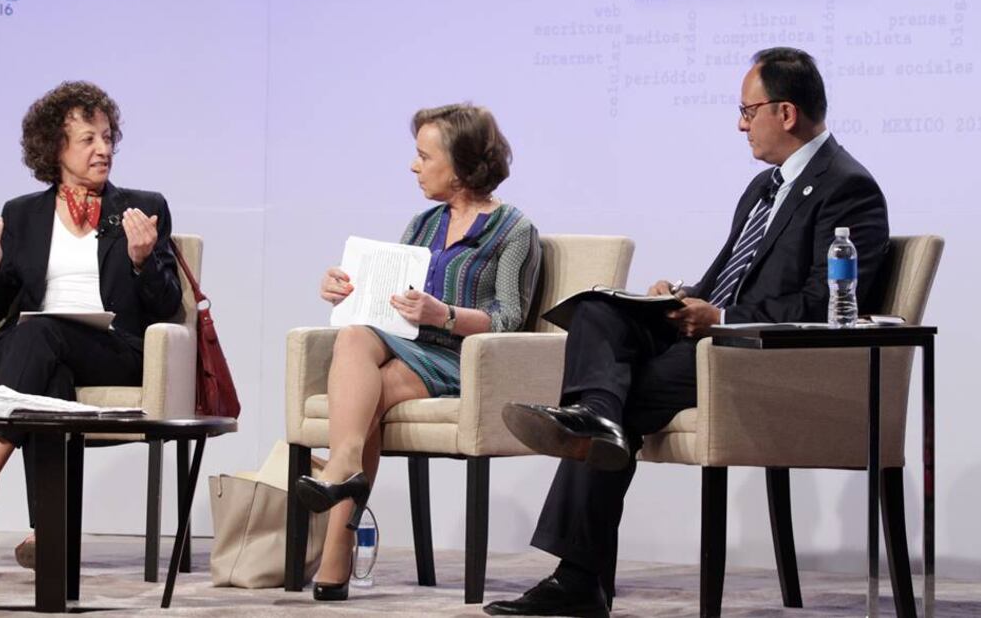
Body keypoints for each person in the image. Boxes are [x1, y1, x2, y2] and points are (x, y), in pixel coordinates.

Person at [485, 48, 890, 617]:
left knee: (609, 409)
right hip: (708, 340)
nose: (740, 124)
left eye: (748, 111)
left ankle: (579, 574)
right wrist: (679, 295)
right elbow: (727, 276)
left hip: (755, 359)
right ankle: (594, 420)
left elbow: (825, 305)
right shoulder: (762, 188)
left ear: (787, 113)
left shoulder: (848, 187)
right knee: (598, 311)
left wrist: (718, 318)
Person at [296, 103, 541, 601]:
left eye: (424, 156)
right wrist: (345, 289)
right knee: (353, 336)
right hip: (406, 344)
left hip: (461, 357)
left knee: (371, 396)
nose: (414, 166)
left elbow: (510, 318)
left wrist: (443, 314)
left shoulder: (514, 230)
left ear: (462, 163)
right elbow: (390, 296)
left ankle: (336, 544)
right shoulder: (422, 224)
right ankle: (345, 466)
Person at [0, 81, 183, 569]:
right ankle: (49, 532)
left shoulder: (141, 207)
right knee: (49, 375)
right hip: (31, 347)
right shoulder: (21, 214)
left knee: (39, 336)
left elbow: (166, 306)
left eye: (108, 137)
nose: (104, 149)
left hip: (113, 348)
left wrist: (141, 260)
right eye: (89, 139)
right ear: (55, 147)